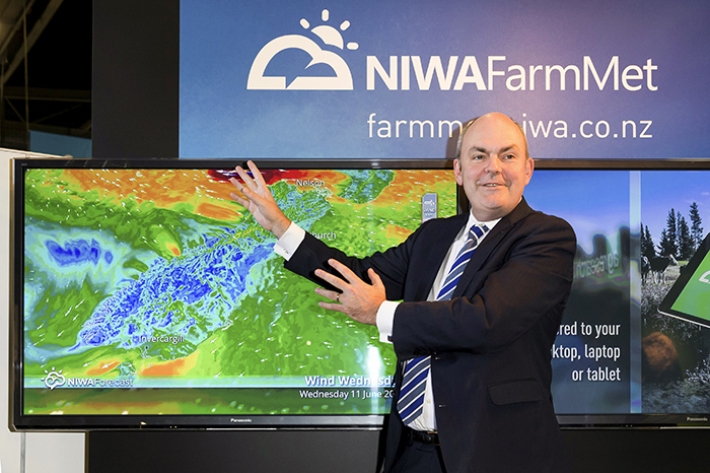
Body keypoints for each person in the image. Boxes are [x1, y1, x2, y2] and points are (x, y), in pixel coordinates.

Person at [229, 112, 576, 473]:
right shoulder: (434, 236)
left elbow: (485, 319)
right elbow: (358, 276)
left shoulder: (546, 237)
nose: (493, 167)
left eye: (508, 155)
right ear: (458, 171)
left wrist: (379, 312)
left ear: (528, 169)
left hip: (496, 456)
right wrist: (281, 226)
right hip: (413, 452)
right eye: (479, 155)